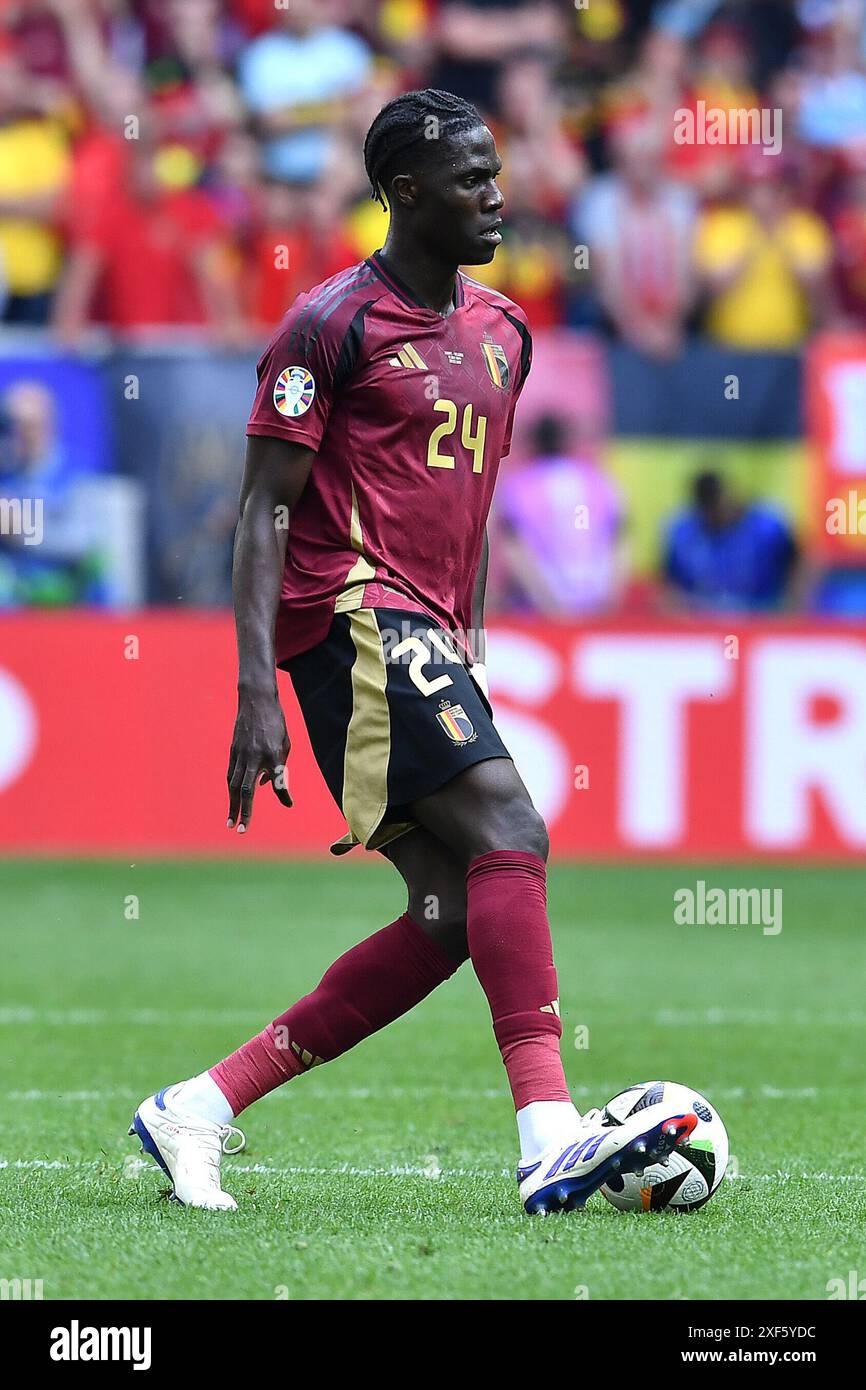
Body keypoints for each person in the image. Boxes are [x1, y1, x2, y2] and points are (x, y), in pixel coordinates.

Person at [129, 88, 696, 1215]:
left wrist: (468, 635)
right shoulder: (326, 325)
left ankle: (196, 1105)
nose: (496, 193)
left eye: (495, 171)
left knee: (446, 916)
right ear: (403, 192)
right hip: (343, 611)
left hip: (423, 626)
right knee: (512, 826)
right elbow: (263, 511)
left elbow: (469, 505)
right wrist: (255, 686)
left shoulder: (504, 330)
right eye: (469, 177)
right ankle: (545, 1134)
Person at [663, 470, 799, 612]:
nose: (715, 515)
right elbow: (668, 584)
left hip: (763, 612)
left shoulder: (768, 525)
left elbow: (800, 564)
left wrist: (792, 605)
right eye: (708, 510)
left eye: (717, 506)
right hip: (701, 617)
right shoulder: (682, 532)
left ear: (728, 496)